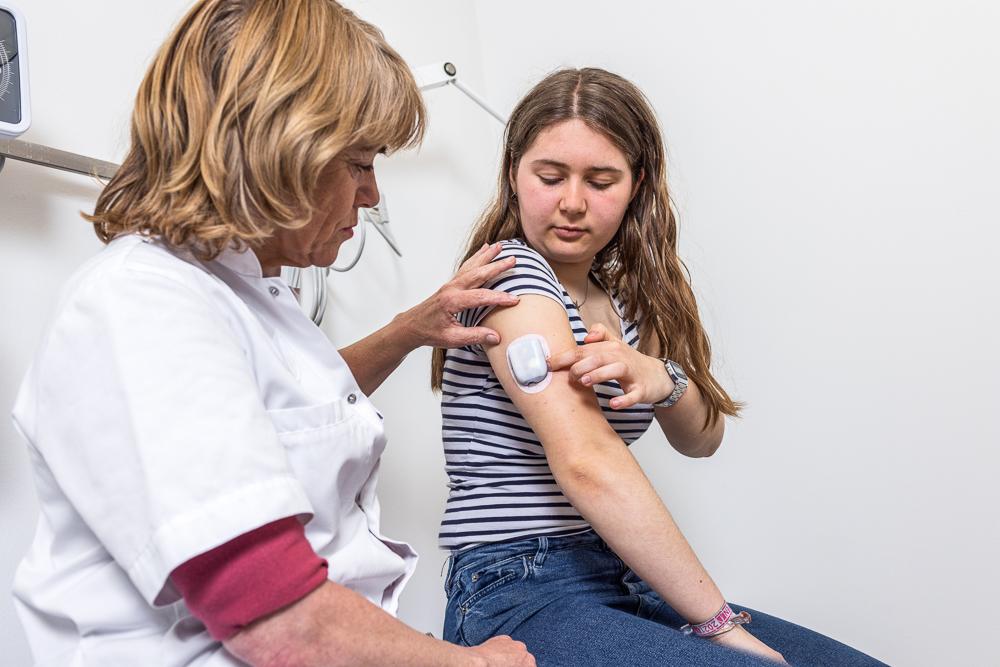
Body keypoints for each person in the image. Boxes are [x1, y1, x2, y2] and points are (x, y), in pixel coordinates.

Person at [10, 1, 536, 665]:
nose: (371, 195)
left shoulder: (245, 296)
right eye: (359, 162)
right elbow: (278, 620)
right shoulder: (141, 301)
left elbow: (287, 407)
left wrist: (410, 329)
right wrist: (472, 661)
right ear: (280, 146)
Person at [431, 68, 886, 666]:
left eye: (601, 181)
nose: (571, 202)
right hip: (515, 588)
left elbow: (703, 439)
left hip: (618, 576)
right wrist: (720, 625)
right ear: (514, 173)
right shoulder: (512, 277)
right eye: (549, 176)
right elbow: (588, 464)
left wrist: (663, 379)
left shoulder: (623, 299)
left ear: (636, 184)